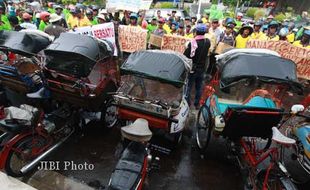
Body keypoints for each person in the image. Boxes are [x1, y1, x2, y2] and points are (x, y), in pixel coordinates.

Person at [184, 24, 211, 109]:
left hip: (193, 68)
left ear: (196, 32)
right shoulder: (207, 42)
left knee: (188, 86)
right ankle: (196, 104)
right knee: (199, 87)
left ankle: (187, 104)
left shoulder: (192, 43)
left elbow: (186, 56)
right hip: (202, 68)